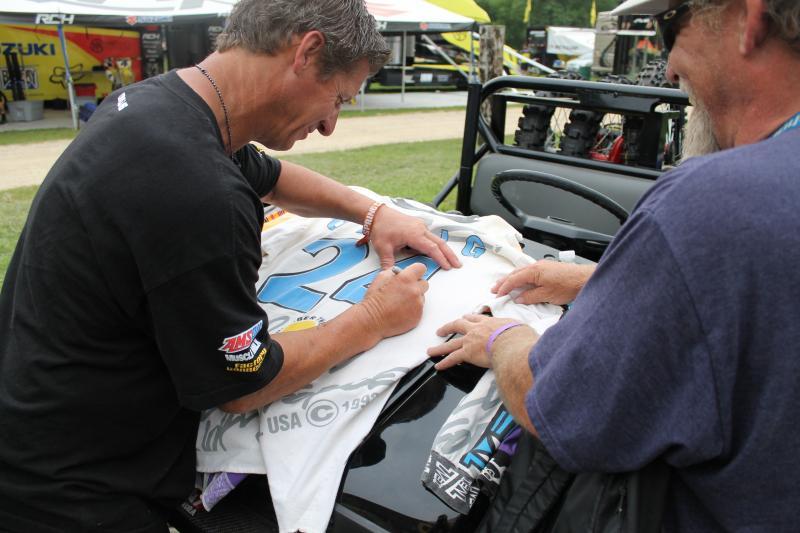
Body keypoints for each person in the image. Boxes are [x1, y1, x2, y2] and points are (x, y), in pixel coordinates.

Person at [0, 1, 461, 531]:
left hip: (34, 429)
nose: (332, 124)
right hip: (75, 492)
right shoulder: (199, 192)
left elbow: (269, 174)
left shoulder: (161, 105)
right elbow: (243, 383)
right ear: (307, 52)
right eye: (338, 98)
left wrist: (373, 210)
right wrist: (375, 317)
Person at [429, 0, 800, 530]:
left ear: (751, 16)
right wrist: (596, 282)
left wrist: (502, 340)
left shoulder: (713, 203)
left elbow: (556, 408)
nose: (669, 66)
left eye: (669, 24)